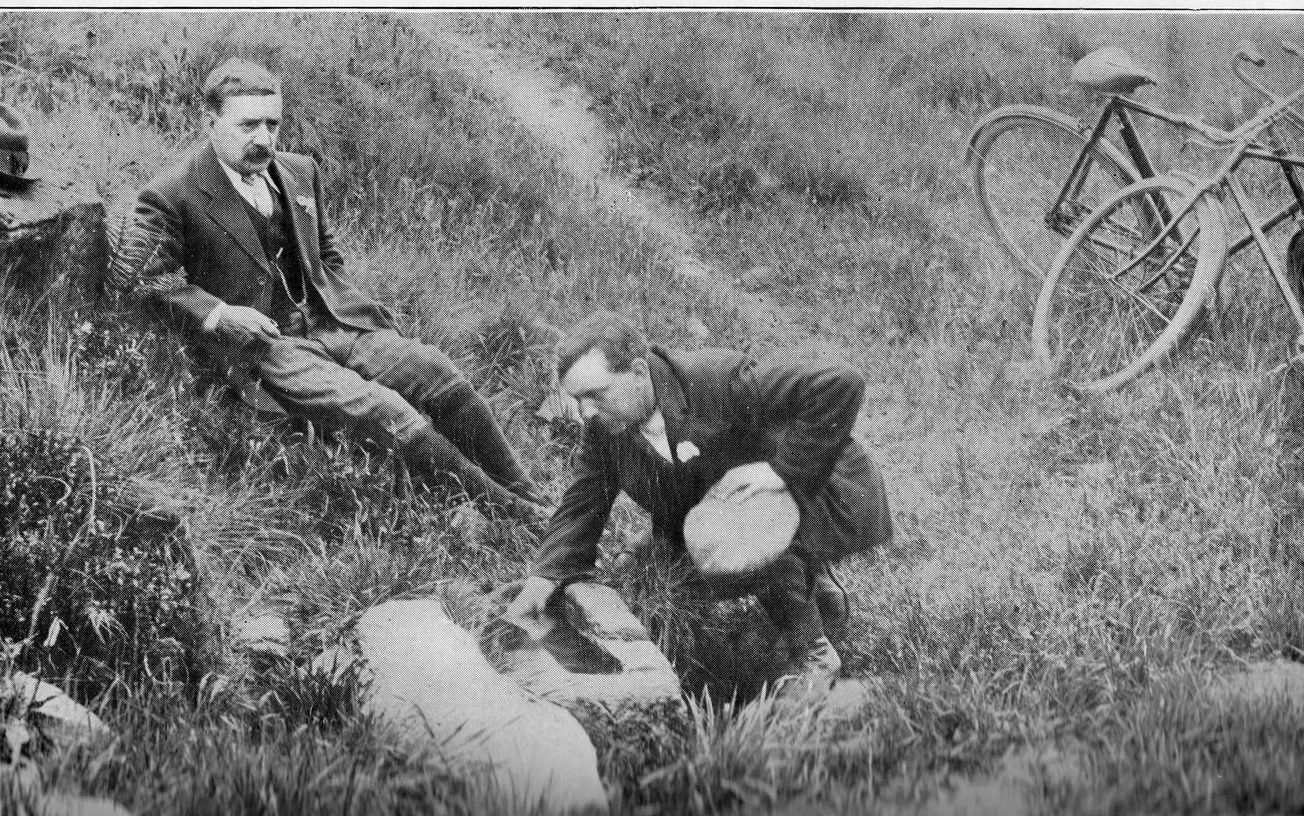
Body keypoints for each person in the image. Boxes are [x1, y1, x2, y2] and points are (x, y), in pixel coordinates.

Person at [110, 58, 547, 525]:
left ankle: (530, 493)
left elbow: (326, 252)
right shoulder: (171, 193)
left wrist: (339, 299)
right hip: (266, 346)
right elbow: (141, 280)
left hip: (332, 322)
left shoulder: (299, 172)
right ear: (209, 121)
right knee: (384, 409)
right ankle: (514, 512)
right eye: (248, 125)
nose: (263, 139)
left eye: (272, 124)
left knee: (434, 369)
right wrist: (220, 314)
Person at [506, 311, 893, 690]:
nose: (585, 413)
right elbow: (582, 502)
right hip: (718, 509)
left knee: (729, 538)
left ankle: (814, 651)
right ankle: (812, 586)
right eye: (578, 399)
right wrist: (545, 577)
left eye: (595, 395)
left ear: (638, 372)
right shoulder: (604, 427)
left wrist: (782, 471)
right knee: (640, 563)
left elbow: (840, 382)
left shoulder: (716, 382)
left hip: (815, 492)